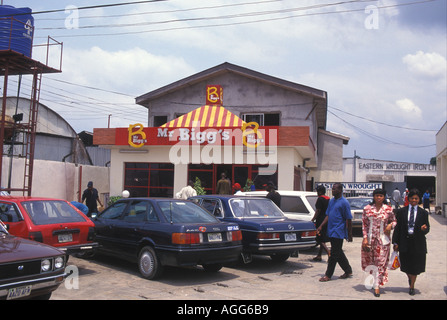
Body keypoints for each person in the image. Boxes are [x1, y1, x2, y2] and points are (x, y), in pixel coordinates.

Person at [392, 189, 430, 296]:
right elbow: (398, 228)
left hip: (418, 243)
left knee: (416, 266)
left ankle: (412, 286)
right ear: (408, 199)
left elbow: (427, 228)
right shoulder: (401, 212)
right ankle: (410, 279)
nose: (414, 200)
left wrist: (424, 229)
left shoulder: (424, 213)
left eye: (416, 198)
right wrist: (395, 242)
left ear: (419, 200)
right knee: (407, 265)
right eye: (412, 198)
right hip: (405, 241)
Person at [361, 188, 397, 297]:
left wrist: (390, 225)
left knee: (380, 262)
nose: (379, 198)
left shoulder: (388, 209)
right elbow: (364, 225)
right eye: (377, 196)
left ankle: (377, 285)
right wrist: (365, 238)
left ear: (384, 197)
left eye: (381, 196)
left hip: (383, 240)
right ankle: (373, 280)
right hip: (370, 239)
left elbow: (395, 221)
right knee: (372, 262)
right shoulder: (367, 209)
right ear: (373, 196)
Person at [317, 183, 353, 282]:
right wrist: (321, 226)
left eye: (335, 189)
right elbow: (328, 215)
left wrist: (349, 234)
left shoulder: (344, 202)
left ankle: (328, 275)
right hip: (331, 230)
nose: (333, 191)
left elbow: (348, 219)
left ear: (340, 190)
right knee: (338, 252)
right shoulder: (331, 201)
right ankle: (348, 270)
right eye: (332, 189)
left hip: (339, 231)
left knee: (333, 254)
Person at [311, 185, 330, 261]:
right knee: (322, 237)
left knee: (319, 238)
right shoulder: (328, 199)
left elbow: (318, 211)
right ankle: (319, 255)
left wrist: (313, 219)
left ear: (320, 191)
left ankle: (329, 252)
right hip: (327, 219)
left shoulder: (320, 199)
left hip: (320, 220)